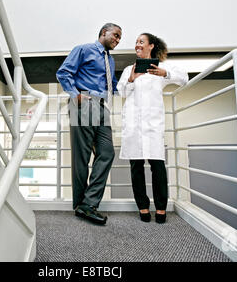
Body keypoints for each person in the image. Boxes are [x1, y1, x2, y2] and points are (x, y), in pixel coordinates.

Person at [117, 33, 188, 223]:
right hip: (134, 124)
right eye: (136, 42)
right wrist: (132, 79)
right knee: (136, 167)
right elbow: (121, 92)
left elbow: (184, 78)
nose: (137, 45)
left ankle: (161, 208)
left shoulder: (162, 68)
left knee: (158, 167)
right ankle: (143, 206)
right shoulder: (128, 69)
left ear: (151, 46)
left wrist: (166, 74)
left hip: (153, 125)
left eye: (141, 42)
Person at [56, 23, 122, 225]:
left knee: (107, 152)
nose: (117, 40)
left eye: (120, 38)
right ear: (104, 32)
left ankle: (88, 202)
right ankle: (81, 205)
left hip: (103, 107)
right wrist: (75, 95)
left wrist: (134, 80)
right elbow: (64, 72)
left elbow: (114, 85)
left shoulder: (109, 60)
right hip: (84, 102)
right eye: (116, 35)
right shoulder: (84, 49)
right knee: (82, 157)